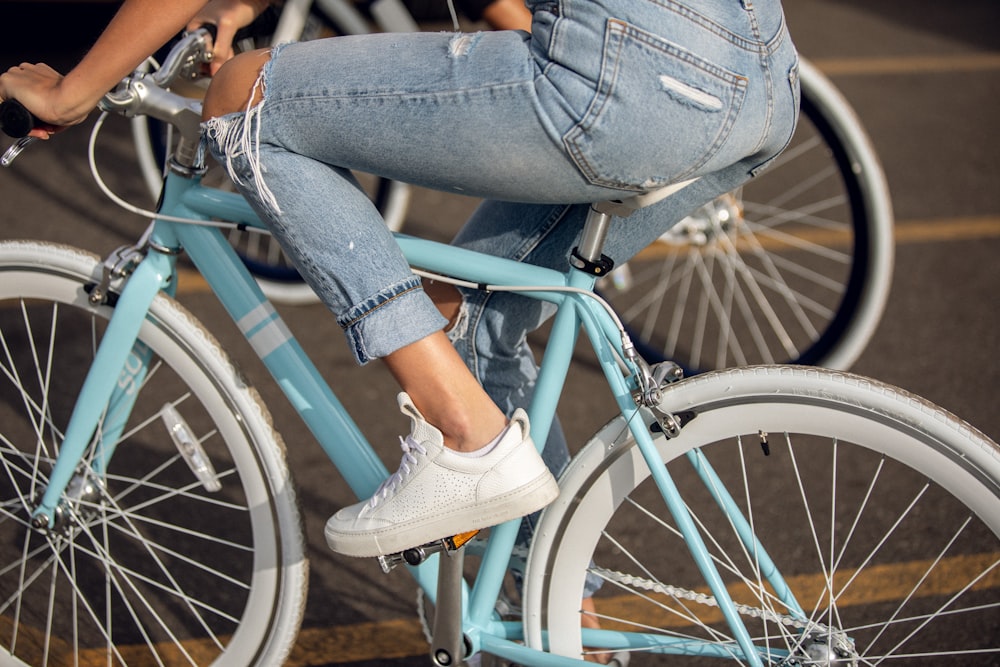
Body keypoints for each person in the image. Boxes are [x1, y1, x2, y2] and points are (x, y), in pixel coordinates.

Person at [0, 0, 799, 562]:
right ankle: (562, 614)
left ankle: (464, 435)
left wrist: (69, 92)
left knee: (241, 95)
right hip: (762, 87)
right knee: (472, 322)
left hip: (625, 75)